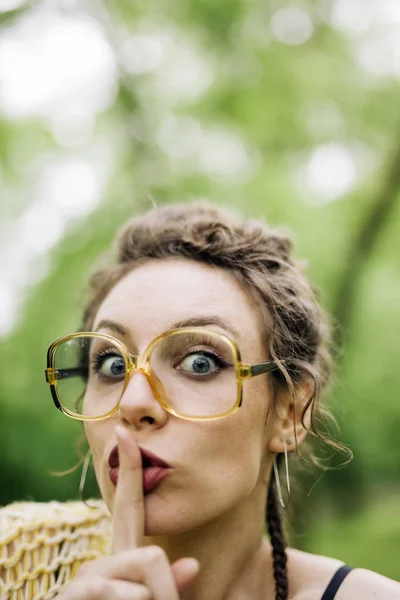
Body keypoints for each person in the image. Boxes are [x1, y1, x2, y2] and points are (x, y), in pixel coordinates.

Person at [4, 201, 399, 600]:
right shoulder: (13, 561)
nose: (133, 402)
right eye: (111, 365)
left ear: (292, 414)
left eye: (199, 362)